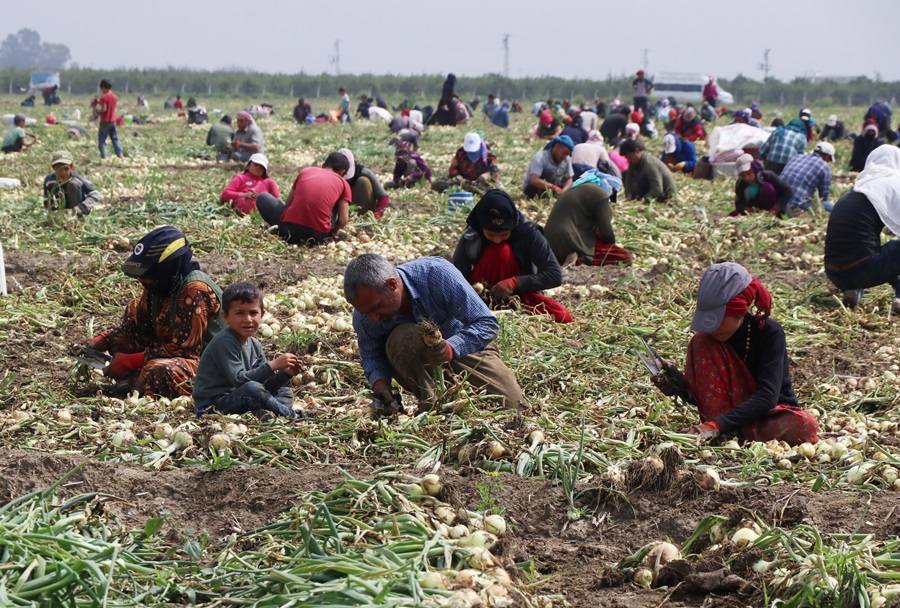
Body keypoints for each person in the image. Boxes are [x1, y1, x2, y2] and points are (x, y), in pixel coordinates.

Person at [651, 263, 819, 445]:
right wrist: (681, 387)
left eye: (719, 320)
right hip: (725, 422)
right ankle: (729, 432)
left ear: (739, 311)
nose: (712, 328)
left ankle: (729, 431)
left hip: (765, 416)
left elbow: (767, 397)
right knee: (700, 341)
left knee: (804, 425)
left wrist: (715, 426)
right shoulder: (707, 341)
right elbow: (711, 398)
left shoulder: (771, 333)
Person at [344, 253, 529, 413]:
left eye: (376, 308)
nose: (373, 318)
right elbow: (371, 353)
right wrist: (380, 385)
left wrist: (451, 347)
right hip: (416, 362)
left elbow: (486, 323)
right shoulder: (365, 315)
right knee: (404, 336)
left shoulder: (436, 274)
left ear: (392, 285)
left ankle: (454, 398)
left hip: (465, 347)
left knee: (515, 407)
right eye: (366, 313)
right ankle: (433, 405)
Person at [83, 226, 224, 398]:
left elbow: (184, 351)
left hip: (211, 366)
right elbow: (139, 329)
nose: (141, 279)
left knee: (160, 371)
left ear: (167, 268)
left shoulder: (194, 291)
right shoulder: (160, 286)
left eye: (147, 273)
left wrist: (131, 361)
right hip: (171, 353)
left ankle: (136, 386)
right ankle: (135, 382)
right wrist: (100, 342)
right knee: (132, 311)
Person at [192, 281, 316, 420]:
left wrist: (284, 375)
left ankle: (266, 413)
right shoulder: (224, 342)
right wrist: (273, 365)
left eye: (253, 313)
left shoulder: (255, 344)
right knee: (252, 388)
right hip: (213, 406)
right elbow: (240, 380)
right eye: (240, 313)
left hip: (241, 397)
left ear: (262, 314)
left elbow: (264, 384)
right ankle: (291, 415)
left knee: (284, 391)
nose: (248, 319)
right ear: (226, 317)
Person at [452, 190, 571, 323]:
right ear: (481, 225)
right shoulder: (472, 235)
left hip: (519, 297)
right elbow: (456, 275)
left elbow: (554, 275)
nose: (497, 240)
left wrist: (514, 282)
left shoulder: (529, 233)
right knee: (499, 251)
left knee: (563, 317)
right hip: (479, 297)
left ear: (514, 224)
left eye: (504, 235)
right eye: (490, 234)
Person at [824, 145, 900, 312]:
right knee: (894, 249)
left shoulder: (857, 189)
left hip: (834, 274)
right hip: (861, 270)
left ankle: (853, 290)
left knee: (875, 249)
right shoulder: (893, 183)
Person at [256, 152, 352, 245]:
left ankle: (282, 231)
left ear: (323, 165)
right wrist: (333, 231)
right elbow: (343, 220)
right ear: (342, 172)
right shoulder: (343, 183)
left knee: (263, 197)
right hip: (317, 236)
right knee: (335, 200)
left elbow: (288, 204)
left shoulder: (306, 171)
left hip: (290, 231)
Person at [544, 182, 632, 268]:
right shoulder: (599, 193)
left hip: (550, 246)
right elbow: (607, 234)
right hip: (569, 241)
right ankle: (580, 259)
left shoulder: (575, 189)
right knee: (624, 257)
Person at [433, 132, 499, 194]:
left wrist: (486, 175)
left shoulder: (489, 155)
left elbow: (494, 172)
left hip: (480, 183)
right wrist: (457, 176)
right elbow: (453, 169)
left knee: (494, 190)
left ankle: (475, 191)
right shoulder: (461, 152)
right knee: (438, 183)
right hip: (462, 182)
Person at [335, 148, 391, 218]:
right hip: (341, 208)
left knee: (363, 181)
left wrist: (379, 212)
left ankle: (361, 214)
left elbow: (383, 196)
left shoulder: (364, 172)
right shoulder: (331, 174)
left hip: (360, 205)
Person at [780, 142, 834, 213]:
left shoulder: (797, 157)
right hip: (797, 203)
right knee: (830, 207)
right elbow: (823, 196)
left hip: (778, 197)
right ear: (826, 157)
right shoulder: (825, 167)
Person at [43, 151, 101, 215]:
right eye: (59, 169)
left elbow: (96, 195)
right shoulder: (49, 181)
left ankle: (77, 215)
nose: (63, 172)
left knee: (73, 184)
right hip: (63, 209)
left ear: (71, 167)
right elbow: (47, 198)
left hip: (79, 208)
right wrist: (52, 211)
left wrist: (81, 207)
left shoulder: (77, 179)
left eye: (66, 169)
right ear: (53, 167)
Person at [91, 79, 123, 159]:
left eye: (102, 88)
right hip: (113, 120)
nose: (102, 90)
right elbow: (109, 104)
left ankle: (104, 157)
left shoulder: (104, 97)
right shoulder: (114, 97)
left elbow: (104, 109)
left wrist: (96, 110)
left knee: (102, 140)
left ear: (104, 87)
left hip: (105, 121)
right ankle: (120, 155)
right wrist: (98, 101)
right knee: (114, 138)